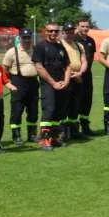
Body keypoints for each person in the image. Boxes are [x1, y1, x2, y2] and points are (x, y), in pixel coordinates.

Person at [32, 22, 72, 151]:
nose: (53, 33)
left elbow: (68, 66)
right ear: (45, 32)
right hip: (48, 85)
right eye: (50, 31)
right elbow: (39, 67)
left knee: (58, 112)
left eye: (56, 31)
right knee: (49, 110)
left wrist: (66, 81)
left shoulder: (61, 47)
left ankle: (53, 138)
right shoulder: (40, 47)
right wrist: (53, 83)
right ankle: (44, 140)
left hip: (61, 84)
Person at [2, 28, 40, 146]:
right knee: (17, 111)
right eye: (24, 38)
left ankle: (32, 134)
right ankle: (16, 135)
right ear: (20, 38)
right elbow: (4, 70)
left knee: (33, 111)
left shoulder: (36, 50)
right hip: (18, 82)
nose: (27, 40)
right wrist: (9, 84)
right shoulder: (12, 52)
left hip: (33, 82)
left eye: (28, 37)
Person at [60, 24, 88, 141]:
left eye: (71, 32)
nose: (69, 34)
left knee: (75, 105)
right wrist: (71, 74)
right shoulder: (59, 45)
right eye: (67, 32)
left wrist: (80, 73)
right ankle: (62, 132)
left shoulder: (79, 45)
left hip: (77, 77)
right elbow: (58, 62)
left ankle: (73, 131)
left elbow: (84, 61)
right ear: (63, 33)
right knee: (63, 106)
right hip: (65, 77)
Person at [73, 19, 97, 136]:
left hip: (87, 75)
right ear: (77, 27)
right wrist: (76, 74)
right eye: (82, 26)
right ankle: (72, 128)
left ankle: (85, 125)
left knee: (87, 101)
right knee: (75, 101)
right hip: (75, 76)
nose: (85, 29)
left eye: (87, 27)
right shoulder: (73, 39)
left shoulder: (91, 41)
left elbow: (91, 58)